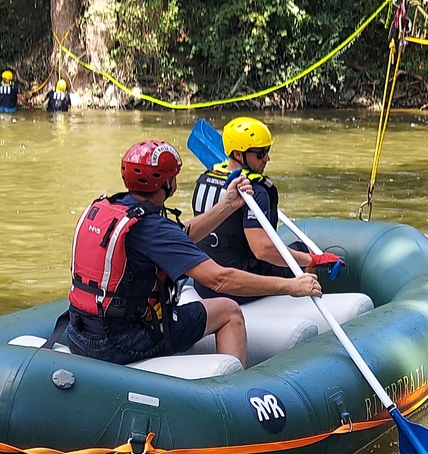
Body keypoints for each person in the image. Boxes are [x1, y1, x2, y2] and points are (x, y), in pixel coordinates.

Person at [65, 139, 321, 368]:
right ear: (168, 183)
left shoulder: (113, 210)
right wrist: (290, 285)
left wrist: (228, 205)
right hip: (122, 342)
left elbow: (179, 236)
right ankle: (233, 392)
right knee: (228, 311)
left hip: (80, 333)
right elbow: (219, 280)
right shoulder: (154, 228)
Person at [191, 117, 340, 304]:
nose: (267, 158)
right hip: (238, 284)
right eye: (261, 153)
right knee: (302, 250)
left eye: (267, 151)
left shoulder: (205, 179)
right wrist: (311, 260)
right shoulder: (254, 191)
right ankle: (304, 303)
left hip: (203, 282)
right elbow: (263, 250)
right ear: (238, 154)